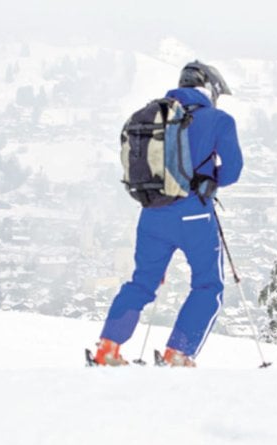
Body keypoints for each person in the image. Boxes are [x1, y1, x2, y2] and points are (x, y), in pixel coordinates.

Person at [93, 60, 243, 367]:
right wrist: (208, 177)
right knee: (207, 285)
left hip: (152, 215)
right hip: (194, 217)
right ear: (209, 89)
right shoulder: (219, 120)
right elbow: (232, 172)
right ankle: (178, 352)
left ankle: (108, 348)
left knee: (142, 282)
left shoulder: (154, 116)